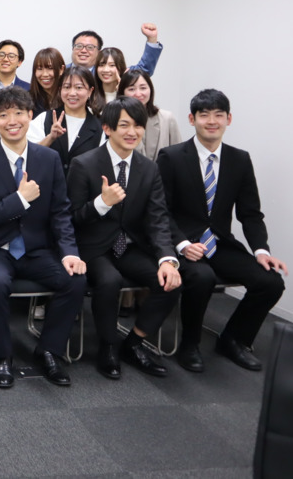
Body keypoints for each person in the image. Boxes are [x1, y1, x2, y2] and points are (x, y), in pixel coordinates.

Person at [0, 86, 87, 389]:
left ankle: (49, 351)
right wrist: (19, 200)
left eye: (19, 113)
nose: (12, 120)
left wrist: (69, 252)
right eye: (3, 115)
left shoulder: (48, 158)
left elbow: (60, 212)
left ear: (31, 115)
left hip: (35, 249)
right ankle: (2, 357)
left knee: (75, 279)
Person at [158, 89, 287, 373]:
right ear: (192, 119)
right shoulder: (172, 157)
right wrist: (180, 244)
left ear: (229, 119)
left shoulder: (240, 160)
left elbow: (250, 214)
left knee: (270, 282)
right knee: (202, 277)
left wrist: (262, 251)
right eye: (204, 115)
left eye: (218, 115)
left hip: (220, 243)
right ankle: (189, 345)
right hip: (184, 244)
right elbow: (160, 211)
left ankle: (234, 339)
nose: (211, 121)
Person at [67, 97, 181, 380]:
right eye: (124, 125)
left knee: (169, 281)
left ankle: (133, 343)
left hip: (129, 246)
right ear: (107, 128)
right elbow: (71, 219)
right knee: (109, 281)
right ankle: (107, 346)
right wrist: (101, 203)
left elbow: (157, 218)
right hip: (93, 247)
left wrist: (168, 259)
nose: (133, 132)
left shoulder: (149, 168)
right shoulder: (84, 164)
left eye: (138, 126)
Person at [28, 66, 103, 175]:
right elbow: (28, 155)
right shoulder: (44, 118)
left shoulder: (99, 126)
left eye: (79, 87)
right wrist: (50, 138)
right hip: (47, 188)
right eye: (67, 87)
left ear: (90, 91)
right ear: (60, 90)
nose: (72, 93)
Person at [119, 69, 181, 161]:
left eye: (143, 88)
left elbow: (178, 156)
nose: (138, 94)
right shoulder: (116, 120)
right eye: (131, 89)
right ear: (122, 92)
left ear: (150, 90)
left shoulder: (167, 118)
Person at [69, 23, 162, 75]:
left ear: (99, 53)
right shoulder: (58, 72)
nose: (84, 51)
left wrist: (152, 39)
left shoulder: (109, 73)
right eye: (79, 46)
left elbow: (144, 70)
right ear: (73, 48)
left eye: (90, 47)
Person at [28, 48, 66, 117]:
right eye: (39, 68)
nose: (45, 74)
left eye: (50, 68)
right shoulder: (27, 99)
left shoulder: (69, 97)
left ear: (61, 69)